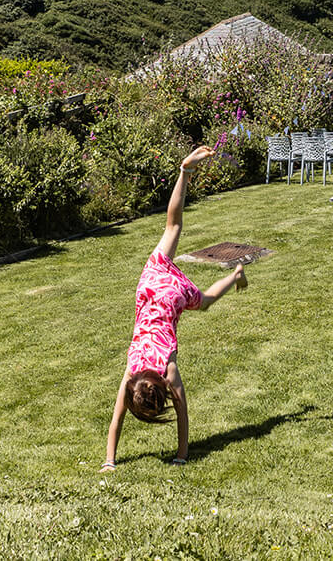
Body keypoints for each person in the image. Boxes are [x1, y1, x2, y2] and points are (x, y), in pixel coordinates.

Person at [102, 145, 248, 470]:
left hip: (172, 295)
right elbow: (131, 415)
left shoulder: (165, 371)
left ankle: (236, 273)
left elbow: (179, 413)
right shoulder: (133, 368)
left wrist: (181, 456)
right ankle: (185, 170)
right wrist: (110, 460)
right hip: (153, 282)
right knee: (173, 227)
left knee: (206, 301)